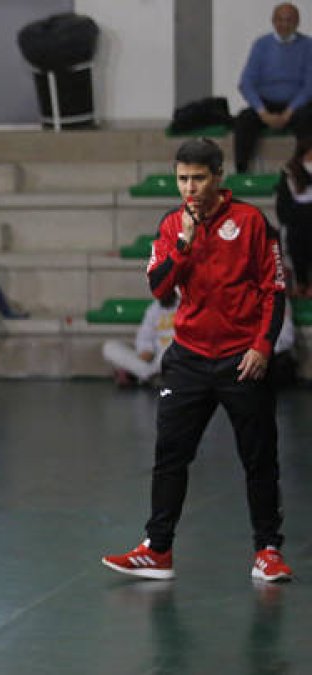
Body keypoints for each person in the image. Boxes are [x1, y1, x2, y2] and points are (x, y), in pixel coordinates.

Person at [102, 138, 293, 583]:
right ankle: (158, 549)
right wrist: (183, 244)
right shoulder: (170, 225)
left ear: (218, 177)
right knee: (170, 455)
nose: (190, 187)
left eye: (199, 178)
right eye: (183, 178)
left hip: (241, 360)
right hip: (187, 359)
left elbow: (273, 290)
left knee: (259, 458)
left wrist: (263, 346)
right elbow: (158, 287)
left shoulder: (250, 222)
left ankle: (267, 551)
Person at [234, 3, 312, 173]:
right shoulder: (261, 45)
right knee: (244, 120)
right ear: (273, 21)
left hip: (296, 106)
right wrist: (262, 112)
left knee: (308, 120)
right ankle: (242, 172)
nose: (284, 24)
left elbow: (309, 85)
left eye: (289, 20)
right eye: (280, 20)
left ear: (297, 22)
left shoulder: (308, 46)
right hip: (266, 104)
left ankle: (303, 173)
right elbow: (246, 82)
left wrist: (289, 112)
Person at [101, 292, 178, 387]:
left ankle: (139, 375)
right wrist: (146, 350)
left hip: (172, 357)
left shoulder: (186, 306)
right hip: (153, 359)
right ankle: (151, 375)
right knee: (109, 347)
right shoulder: (153, 309)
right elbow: (144, 337)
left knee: (172, 350)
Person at [275, 134, 312, 296]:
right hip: (297, 224)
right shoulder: (290, 172)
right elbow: (283, 205)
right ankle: (301, 282)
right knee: (296, 238)